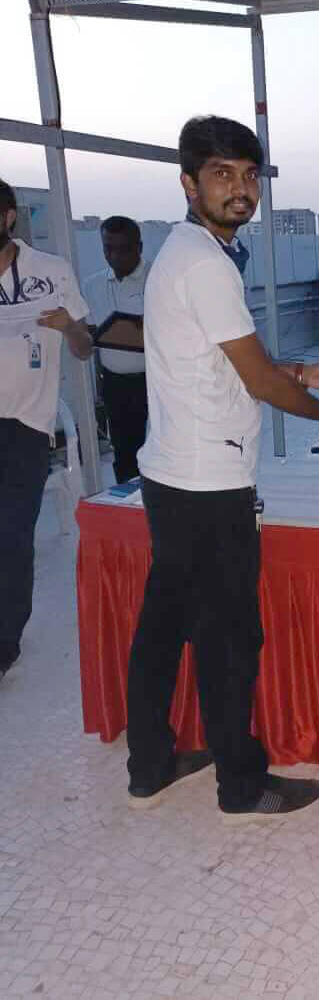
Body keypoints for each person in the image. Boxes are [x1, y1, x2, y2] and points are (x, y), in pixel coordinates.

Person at [127, 116, 319, 820]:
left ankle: (150, 764)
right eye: (222, 175)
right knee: (229, 636)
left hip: (172, 473)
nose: (240, 189)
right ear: (189, 183)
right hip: (208, 484)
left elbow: (226, 361)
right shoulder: (206, 263)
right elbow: (256, 381)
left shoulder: (189, 251)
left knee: (163, 625)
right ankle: (241, 785)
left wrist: (297, 370)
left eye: (248, 174)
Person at [0, 177, 93, 679]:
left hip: (25, 426)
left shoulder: (51, 272)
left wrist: (69, 326)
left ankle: (4, 642)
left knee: (13, 535)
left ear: (9, 216)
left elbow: (84, 347)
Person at [84, 216, 150, 482]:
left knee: (164, 449)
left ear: (139, 247)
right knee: (124, 453)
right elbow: (91, 333)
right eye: (108, 248)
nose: (115, 256)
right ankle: (129, 502)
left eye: (123, 249)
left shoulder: (158, 278)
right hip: (116, 383)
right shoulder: (92, 285)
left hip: (158, 379)